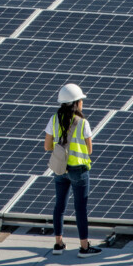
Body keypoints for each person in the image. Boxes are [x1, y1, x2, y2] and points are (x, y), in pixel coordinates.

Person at [42, 83, 102, 256]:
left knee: (59, 206)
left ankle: (58, 244)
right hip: (79, 171)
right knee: (80, 208)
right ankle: (84, 247)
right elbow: (89, 150)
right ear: (76, 103)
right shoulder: (83, 123)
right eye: (81, 100)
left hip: (60, 169)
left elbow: (47, 146)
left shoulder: (54, 119)